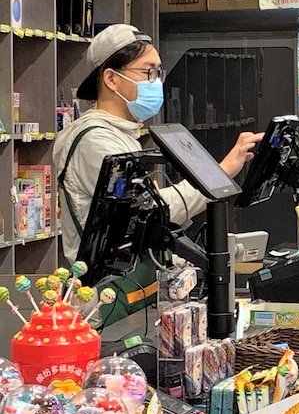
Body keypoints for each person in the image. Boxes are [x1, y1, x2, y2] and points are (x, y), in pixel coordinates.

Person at [53, 24, 262, 324]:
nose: (156, 82)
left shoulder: (121, 135)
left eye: (159, 73)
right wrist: (221, 173)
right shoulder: (94, 140)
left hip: (134, 293)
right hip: (108, 301)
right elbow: (151, 213)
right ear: (111, 78)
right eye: (147, 72)